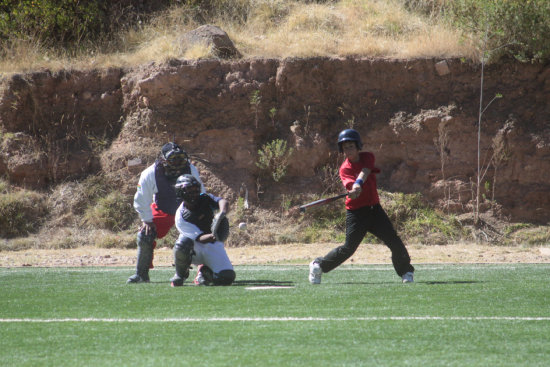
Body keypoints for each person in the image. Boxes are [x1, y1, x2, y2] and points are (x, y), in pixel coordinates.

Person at [309, 129, 415, 284]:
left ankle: (406, 271)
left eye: (351, 146)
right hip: (356, 213)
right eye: (345, 148)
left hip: (374, 210)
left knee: (394, 241)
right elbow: (350, 186)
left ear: (358, 146)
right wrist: (353, 191)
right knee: (348, 249)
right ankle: (318, 265)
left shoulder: (367, 156)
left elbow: (365, 171)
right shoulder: (344, 168)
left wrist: (358, 183)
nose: (348, 150)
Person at [127, 142, 205, 284]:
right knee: (145, 234)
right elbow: (141, 198)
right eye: (173, 159)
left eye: (180, 159)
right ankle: (141, 274)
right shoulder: (150, 173)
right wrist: (147, 220)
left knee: (205, 233)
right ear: (163, 159)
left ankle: (203, 273)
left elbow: (202, 194)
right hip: (163, 209)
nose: (178, 163)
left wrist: (203, 216)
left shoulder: (191, 169)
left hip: (187, 209)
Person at [170, 174, 236, 287]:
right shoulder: (180, 216)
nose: (194, 193)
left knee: (227, 277)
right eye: (190, 190)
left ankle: (205, 272)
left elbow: (223, 202)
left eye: (196, 189)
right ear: (180, 191)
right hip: (194, 247)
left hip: (212, 245)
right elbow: (200, 238)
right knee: (182, 243)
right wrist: (216, 234)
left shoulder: (205, 198)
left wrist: (222, 213)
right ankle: (180, 274)